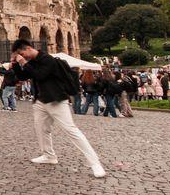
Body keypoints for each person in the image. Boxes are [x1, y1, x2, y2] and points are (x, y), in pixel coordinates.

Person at [10, 39, 106, 178]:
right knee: (41, 129)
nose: (22, 57)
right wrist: (15, 64)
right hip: (40, 101)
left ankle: (95, 163)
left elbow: (39, 75)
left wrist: (24, 62)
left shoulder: (48, 59)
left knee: (71, 130)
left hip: (56, 99)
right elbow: (23, 76)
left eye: (21, 53)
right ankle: (49, 155)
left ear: (28, 48)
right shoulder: (32, 62)